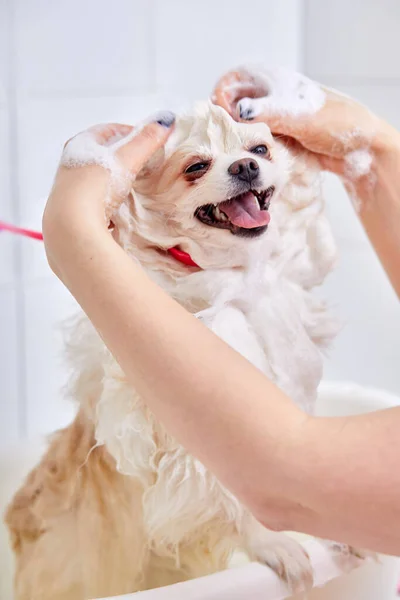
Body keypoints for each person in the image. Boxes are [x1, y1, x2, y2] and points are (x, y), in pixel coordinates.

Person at [42, 70, 400, 556]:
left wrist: (75, 237)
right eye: (196, 167)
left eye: (258, 152)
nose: (244, 168)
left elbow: (288, 484)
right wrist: (376, 147)